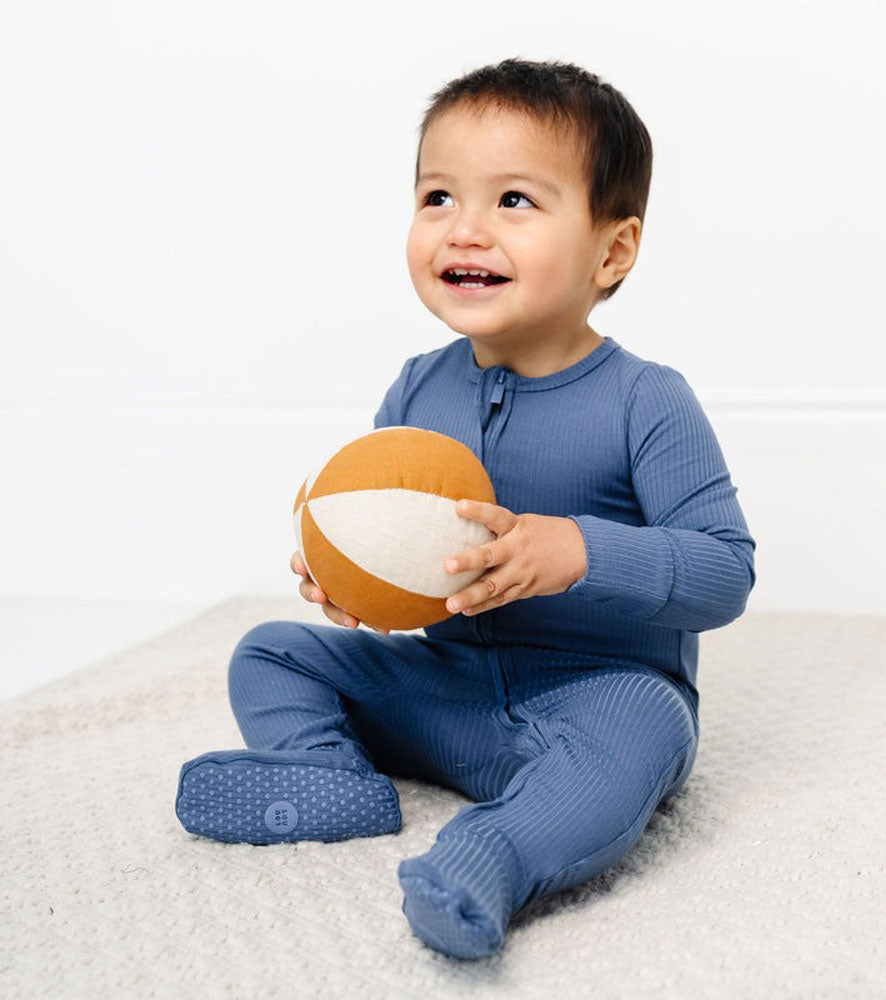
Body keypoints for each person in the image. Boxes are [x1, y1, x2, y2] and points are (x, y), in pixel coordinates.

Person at [175, 56, 756, 961]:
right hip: (446, 694)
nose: (465, 229)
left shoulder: (645, 400)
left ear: (611, 251)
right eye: (437, 197)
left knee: (642, 733)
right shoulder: (416, 389)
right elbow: (397, 552)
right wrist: (349, 577)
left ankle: (494, 853)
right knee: (272, 652)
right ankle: (329, 775)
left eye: (514, 200)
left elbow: (725, 570)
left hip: (595, 693)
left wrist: (577, 551)